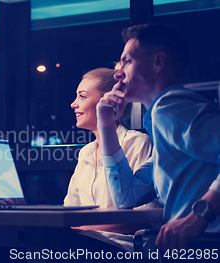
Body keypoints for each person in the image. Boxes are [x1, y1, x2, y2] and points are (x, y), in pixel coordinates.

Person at [97, 23, 220, 251]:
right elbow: (126, 197)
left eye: (127, 61)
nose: (117, 72)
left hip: (206, 245)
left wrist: (200, 215)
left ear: (158, 62)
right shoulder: (160, 119)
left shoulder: (169, 108)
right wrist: (105, 124)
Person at [65, 67, 154, 251]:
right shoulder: (86, 153)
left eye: (82, 96)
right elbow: (69, 209)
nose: (73, 104)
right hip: (84, 240)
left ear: (109, 101)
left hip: (120, 245)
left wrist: (84, 228)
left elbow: (146, 217)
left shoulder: (137, 143)